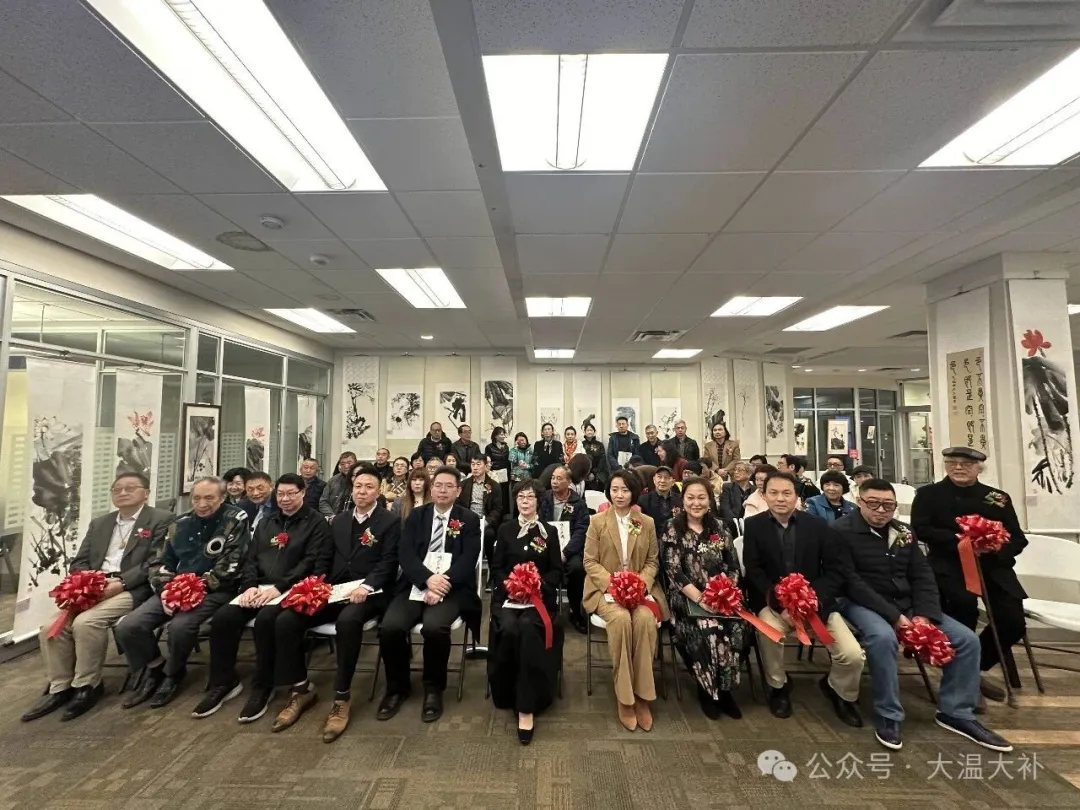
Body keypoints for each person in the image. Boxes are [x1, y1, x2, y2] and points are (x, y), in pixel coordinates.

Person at [834, 478, 1014, 753]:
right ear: (859, 502)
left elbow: (922, 575)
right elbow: (851, 581)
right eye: (873, 503)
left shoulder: (904, 531)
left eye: (888, 505)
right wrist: (895, 617)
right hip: (861, 603)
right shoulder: (840, 531)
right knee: (883, 638)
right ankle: (889, 714)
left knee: (966, 640)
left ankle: (956, 711)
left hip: (908, 603)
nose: (881, 510)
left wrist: (924, 614)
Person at [22, 474, 174, 723]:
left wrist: (121, 583)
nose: (123, 492)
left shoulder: (161, 519)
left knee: (87, 622)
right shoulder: (100, 523)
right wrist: (86, 584)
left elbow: (155, 562)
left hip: (132, 588)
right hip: (94, 586)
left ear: (146, 493)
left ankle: (87, 685)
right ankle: (60, 687)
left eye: (130, 488)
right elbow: (79, 561)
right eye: (117, 489)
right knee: (50, 628)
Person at [267, 465, 401, 741]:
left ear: (379, 491)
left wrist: (366, 586)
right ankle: (301, 689)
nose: (362, 491)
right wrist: (316, 585)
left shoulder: (389, 522)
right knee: (287, 619)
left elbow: (388, 563)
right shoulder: (338, 520)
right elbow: (325, 557)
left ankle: (342, 697)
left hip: (370, 593)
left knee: (348, 621)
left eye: (369, 487)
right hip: (334, 590)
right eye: (358, 486)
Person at [193, 473, 329, 720]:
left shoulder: (316, 522)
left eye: (291, 494)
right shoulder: (267, 521)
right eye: (281, 494)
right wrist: (249, 585)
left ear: (303, 493)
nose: (285, 499)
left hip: (290, 589)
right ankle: (223, 681)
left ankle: (263, 685)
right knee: (223, 618)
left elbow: (310, 562)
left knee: (266, 620)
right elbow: (251, 558)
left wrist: (279, 587)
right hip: (258, 588)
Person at [741, 471, 864, 726]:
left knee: (852, 655)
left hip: (816, 605)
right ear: (764, 496)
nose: (780, 499)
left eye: (787, 493)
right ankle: (778, 686)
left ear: (797, 496)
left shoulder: (817, 526)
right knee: (768, 635)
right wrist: (780, 604)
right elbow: (754, 570)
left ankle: (839, 690)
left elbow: (834, 570)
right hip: (774, 604)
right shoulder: (754, 526)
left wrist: (812, 600)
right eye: (774, 493)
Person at [115, 477, 249, 709]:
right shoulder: (180, 523)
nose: (202, 504)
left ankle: (173, 673)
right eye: (196, 498)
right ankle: (155, 667)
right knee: (128, 626)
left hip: (215, 589)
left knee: (179, 627)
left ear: (222, 498)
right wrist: (167, 589)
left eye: (209, 498)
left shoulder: (235, 519)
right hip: (174, 588)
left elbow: (231, 566)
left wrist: (194, 589)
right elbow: (159, 562)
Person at [910, 447, 1028, 704]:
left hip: (993, 567)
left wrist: (994, 547)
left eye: (966, 463)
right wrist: (961, 540)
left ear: (979, 468)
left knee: (1012, 621)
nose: (958, 467)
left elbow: (1018, 539)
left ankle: (972, 670)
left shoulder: (996, 498)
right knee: (962, 609)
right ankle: (962, 679)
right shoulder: (929, 494)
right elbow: (920, 529)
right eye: (952, 462)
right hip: (948, 564)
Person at [377, 466, 482, 723]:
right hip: (416, 583)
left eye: (449, 486)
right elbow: (405, 553)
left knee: (435, 628)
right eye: (438, 485)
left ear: (458, 491)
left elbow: (469, 559)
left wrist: (442, 584)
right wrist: (427, 580)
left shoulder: (469, 519)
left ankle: (433, 688)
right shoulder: (417, 516)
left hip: (452, 588)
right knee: (390, 627)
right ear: (431, 488)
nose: (442, 490)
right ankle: (397, 687)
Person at [583, 470, 669, 732]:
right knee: (620, 619)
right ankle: (625, 697)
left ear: (634, 492)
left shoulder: (646, 522)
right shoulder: (597, 521)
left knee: (644, 619)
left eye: (625, 490)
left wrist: (640, 584)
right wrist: (614, 584)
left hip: (640, 589)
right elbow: (589, 561)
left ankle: (642, 694)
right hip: (605, 590)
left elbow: (652, 561)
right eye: (614, 489)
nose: (619, 495)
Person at [661, 477, 744, 720]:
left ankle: (725, 689)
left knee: (737, 628)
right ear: (683, 500)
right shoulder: (672, 527)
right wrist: (701, 599)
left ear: (710, 500)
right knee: (709, 628)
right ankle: (708, 690)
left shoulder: (720, 527)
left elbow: (732, 565)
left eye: (701, 497)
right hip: (687, 597)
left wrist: (725, 593)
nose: (696, 503)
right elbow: (673, 570)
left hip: (722, 597)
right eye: (691, 497)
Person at [488, 479, 563, 745]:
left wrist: (537, 584)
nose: (525, 501)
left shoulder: (548, 532)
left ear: (538, 501)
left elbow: (556, 571)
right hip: (508, 599)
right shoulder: (505, 530)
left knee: (529, 629)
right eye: (521, 497)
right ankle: (506, 691)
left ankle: (527, 705)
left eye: (530, 497)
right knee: (509, 628)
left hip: (539, 600)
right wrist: (511, 586)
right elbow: (497, 568)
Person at [539, 465, 590, 633]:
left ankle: (575, 611)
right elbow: (539, 523)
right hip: (546, 546)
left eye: (559, 478)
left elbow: (581, 532)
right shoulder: (544, 498)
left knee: (577, 569)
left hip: (569, 550)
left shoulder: (579, 503)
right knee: (538, 564)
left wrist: (566, 552)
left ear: (568, 482)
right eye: (553, 478)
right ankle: (546, 609)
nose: (554, 481)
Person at [458, 455, 503, 558]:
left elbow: (497, 509)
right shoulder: (463, 484)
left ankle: (491, 563)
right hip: (466, 520)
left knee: (489, 534)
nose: (475, 467)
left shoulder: (494, 486)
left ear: (486, 466)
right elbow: (458, 505)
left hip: (485, 521)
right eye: (473, 464)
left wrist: (486, 522)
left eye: (478, 464)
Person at [639, 465, 683, 538]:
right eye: (659, 477)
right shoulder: (643, 500)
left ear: (673, 482)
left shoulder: (680, 499)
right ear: (654, 480)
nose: (662, 481)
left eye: (666, 478)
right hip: (652, 538)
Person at [319, 452, 357, 519]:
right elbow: (323, 502)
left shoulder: (362, 480)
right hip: (334, 518)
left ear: (356, 463)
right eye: (342, 464)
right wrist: (332, 517)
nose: (346, 466)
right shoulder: (333, 480)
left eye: (349, 463)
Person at [485, 427, 512, 515]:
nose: (503, 436)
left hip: (505, 474)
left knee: (504, 496)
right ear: (495, 436)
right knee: (495, 495)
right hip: (494, 475)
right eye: (501, 434)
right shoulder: (489, 447)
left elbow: (508, 461)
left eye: (504, 434)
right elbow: (488, 462)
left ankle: (504, 516)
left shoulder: (506, 447)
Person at [581, 423, 610, 491]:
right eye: (587, 430)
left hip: (598, 474)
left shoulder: (600, 444)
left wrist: (594, 473)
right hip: (585, 474)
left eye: (591, 430)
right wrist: (588, 473)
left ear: (594, 432)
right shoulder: (581, 444)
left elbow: (602, 459)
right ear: (584, 432)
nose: (589, 432)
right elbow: (581, 460)